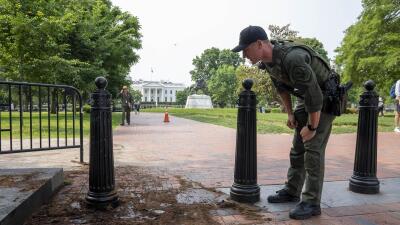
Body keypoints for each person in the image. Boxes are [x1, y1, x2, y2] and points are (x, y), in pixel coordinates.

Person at [232, 26, 336, 220]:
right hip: (305, 98)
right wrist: (290, 113)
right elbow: (281, 87)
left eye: (246, 50)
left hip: (325, 99)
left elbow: (315, 95)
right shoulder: (267, 62)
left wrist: (312, 127)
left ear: (260, 44)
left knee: (312, 149)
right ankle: (292, 190)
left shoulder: (293, 58)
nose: (244, 55)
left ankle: (312, 202)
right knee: (297, 148)